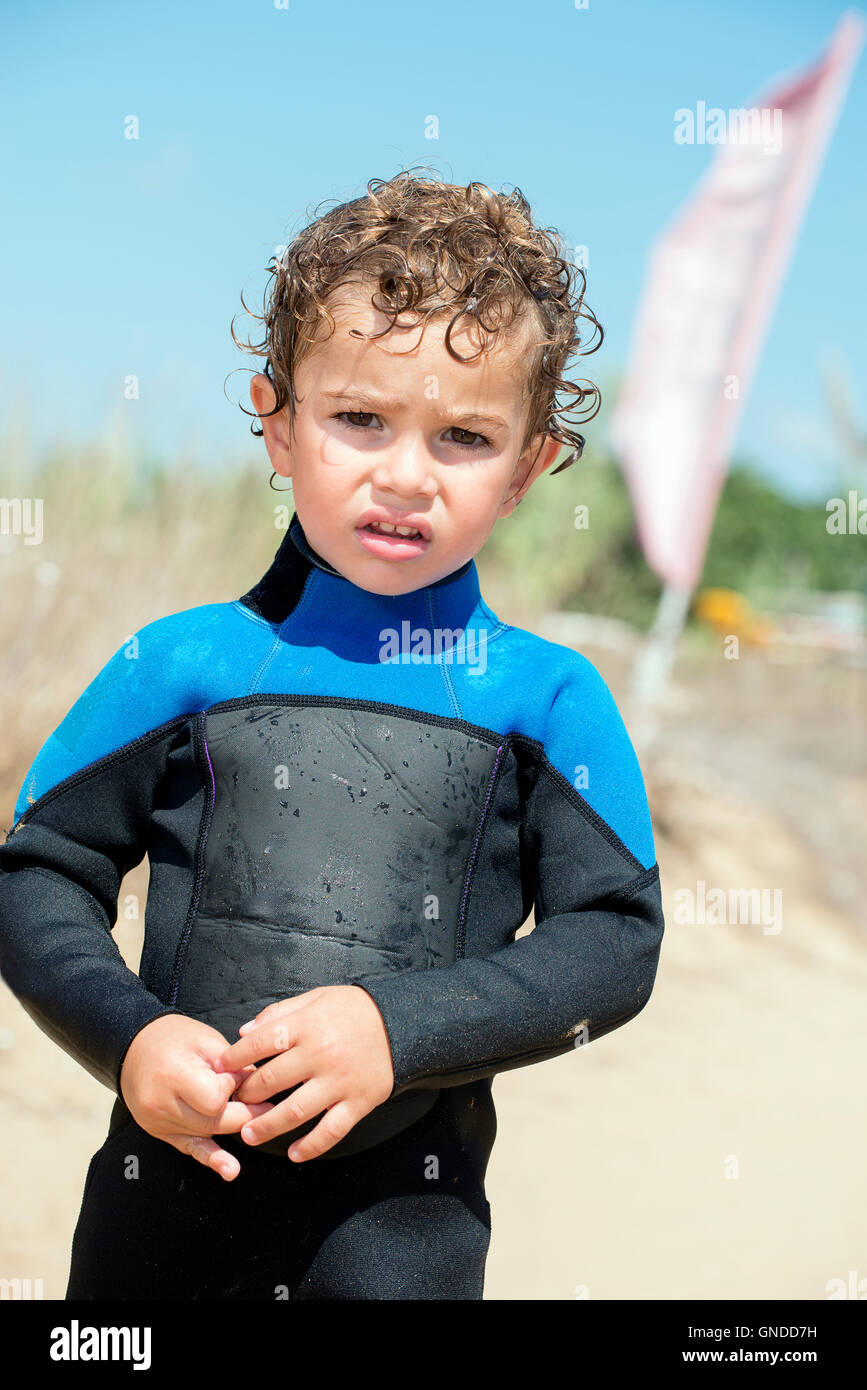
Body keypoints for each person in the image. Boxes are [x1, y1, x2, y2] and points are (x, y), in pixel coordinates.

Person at [0, 169, 665, 1300]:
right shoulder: (177, 665)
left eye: (464, 435)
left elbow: (613, 941)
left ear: (529, 468)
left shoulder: (545, 700)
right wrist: (130, 1040)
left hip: (399, 1233)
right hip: (156, 1211)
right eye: (359, 417)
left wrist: (397, 1028)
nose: (403, 474)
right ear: (277, 420)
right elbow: (38, 875)